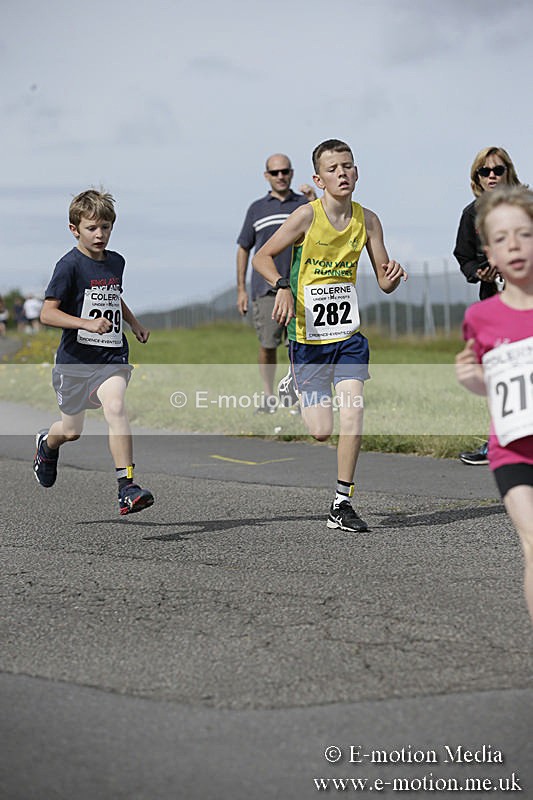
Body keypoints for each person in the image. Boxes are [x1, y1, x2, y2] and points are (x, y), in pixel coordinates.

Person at [252, 139, 407, 532]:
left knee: (353, 411)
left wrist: (390, 280)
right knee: (321, 431)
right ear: (319, 179)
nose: (343, 173)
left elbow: (384, 279)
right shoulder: (305, 216)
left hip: (347, 334)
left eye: (349, 166)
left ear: (357, 172)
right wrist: (282, 286)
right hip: (307, 336)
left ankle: (341, 503)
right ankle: (295, 384)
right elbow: (262, 256)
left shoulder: (368, 220)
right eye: (334, 168)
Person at [33, 189, 154, 516]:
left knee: (116, 406)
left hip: (111, 357)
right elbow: (47, 314)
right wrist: (85, 324)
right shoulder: (68, 265)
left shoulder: (116, 261)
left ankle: (126, 487)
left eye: (105, 227)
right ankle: (47, 445)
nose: (99, 234)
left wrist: (134, 323)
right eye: (91, 228)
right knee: (71, 430)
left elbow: (113, 296)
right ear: (75, 229)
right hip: (75, 363)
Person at [455, 184, 533, 625]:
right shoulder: (480, 319)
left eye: (524, 234)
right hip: (514, 450)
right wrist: (474, 381)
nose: (514, 246)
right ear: (489, 253)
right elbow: (494, 384)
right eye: (502, 239)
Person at [454, 146, 522, 465]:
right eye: (485, 171)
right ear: (476, 178)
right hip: (496, 300)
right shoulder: (472, 213)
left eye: (498, 169)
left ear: (509, 171)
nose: (492, 176)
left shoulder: (526, 204)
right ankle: (497, 443)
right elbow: (464, 256)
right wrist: (478, 273)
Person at [237, 153, 316, 412]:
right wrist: (241, 289)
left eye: (285, 171)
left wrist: (315, 200)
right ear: (266, 176)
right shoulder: (256, 209)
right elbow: (244, 248)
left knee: (299, 346)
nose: (280, 176)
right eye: (275, 172)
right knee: (268, 345)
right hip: (266, 289)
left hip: (301, 288)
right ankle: (269, 396)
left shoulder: (305, 205)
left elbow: (321, 232)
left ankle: (298, 396)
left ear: (292, 173)